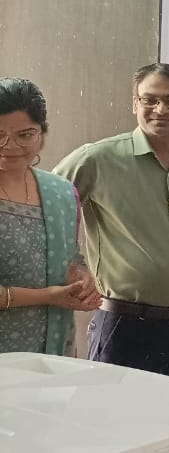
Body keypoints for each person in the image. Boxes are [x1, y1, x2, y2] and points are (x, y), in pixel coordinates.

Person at [53, 63, 169, 383]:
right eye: (149, 100)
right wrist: (75, 265)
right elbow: (45, 210)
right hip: (125, 325)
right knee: (116, 412)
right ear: (135, 104)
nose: (160, 109)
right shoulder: (97, 159)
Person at [0, 78, 100, 354]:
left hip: (53, 353)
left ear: (42, 134)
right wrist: (48, 296)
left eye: (25, 135)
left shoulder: (61, 192)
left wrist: (82, 279)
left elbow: (71, 258)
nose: (10, 146)